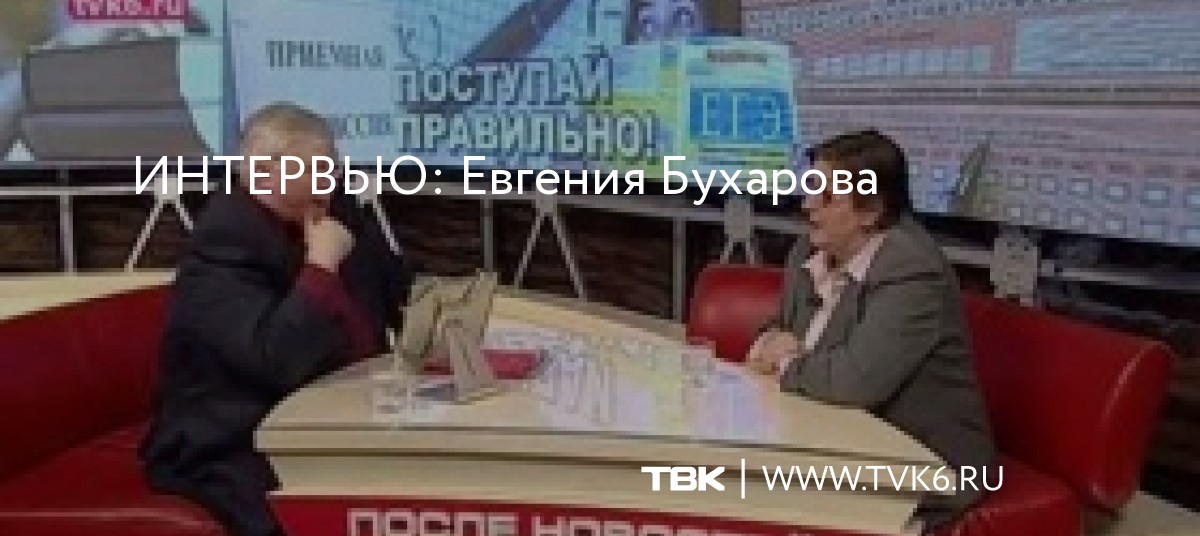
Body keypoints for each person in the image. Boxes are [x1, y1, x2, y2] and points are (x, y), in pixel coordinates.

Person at [139, 102, 412, 536]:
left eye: (331, 166)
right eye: (314, 170)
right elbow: (276, 359)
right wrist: (321, 268)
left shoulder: (334, 208)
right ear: (263, 174)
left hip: (341, 411)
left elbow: (399, 291)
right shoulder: (224, 240)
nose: (329, 179)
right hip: (235, 439)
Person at [746, 129, 996, 532]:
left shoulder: (912, 270)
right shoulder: (809, 251)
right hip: (830, 440)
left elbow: (853, 383)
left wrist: (787, 361)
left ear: (871, 211)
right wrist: (769, 343)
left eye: (828, 196)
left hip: (926, 460)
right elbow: (779, 329)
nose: (808, 205)